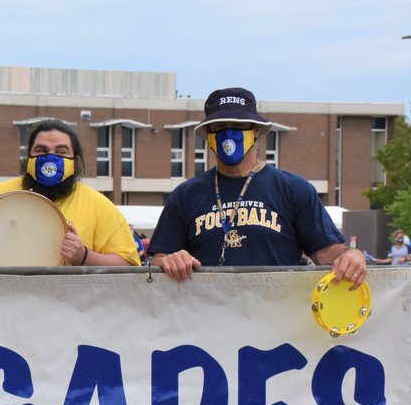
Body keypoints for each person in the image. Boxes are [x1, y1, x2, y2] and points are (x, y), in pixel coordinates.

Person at [151, 87, 367, 289]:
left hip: (275, 315)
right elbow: (158, 259)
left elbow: (325, 251)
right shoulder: (186, 194)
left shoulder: (293, 188)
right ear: (208, 134)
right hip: (207, 316)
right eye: (218, 128)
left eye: (237, 127)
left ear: (255, 131)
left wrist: (350, 255)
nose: (228, 135)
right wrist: (169, 260)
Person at [0, 119, 140, 266]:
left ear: (75, 160)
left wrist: (85, 257)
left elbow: (129, 263)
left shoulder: (98, 205)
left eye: (61, 151)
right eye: (41, 150)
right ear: (28, 156)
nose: (50, 158)